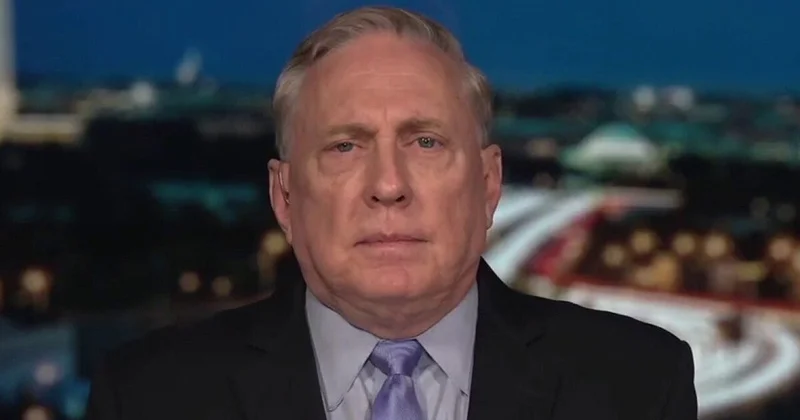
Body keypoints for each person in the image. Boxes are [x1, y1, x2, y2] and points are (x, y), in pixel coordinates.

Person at [86, 6, 697, 420]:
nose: (388, 185)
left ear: (488, 185)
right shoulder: (147, 398)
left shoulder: (639, 386)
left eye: (426, 142)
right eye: (345, 147)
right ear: (285, 198)